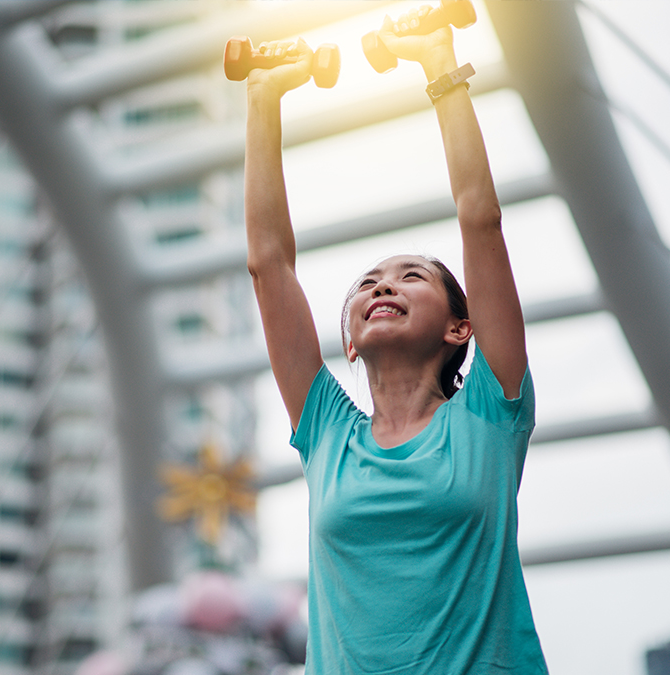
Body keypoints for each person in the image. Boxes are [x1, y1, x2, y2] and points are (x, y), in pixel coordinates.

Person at [243, 6, 548, 674]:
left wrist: (441, 67)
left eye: (410, 277)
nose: (382, 288)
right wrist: (264, 101)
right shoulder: (326, 430)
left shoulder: (491, 413)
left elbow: (481, 220)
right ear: (349, 339)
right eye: (367, 284)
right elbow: (269, 263)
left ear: (458, 327)